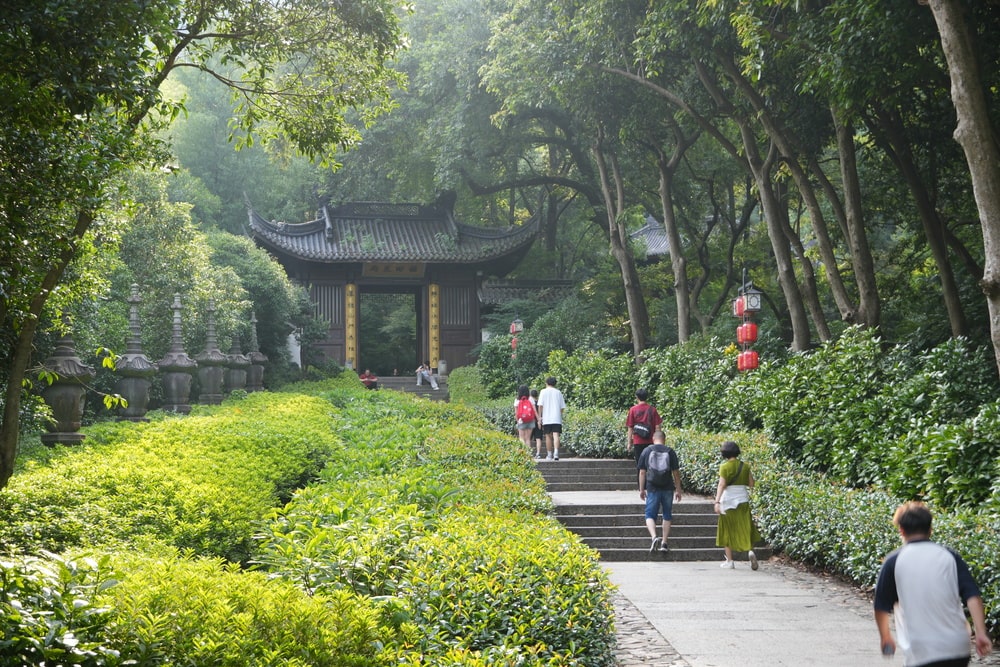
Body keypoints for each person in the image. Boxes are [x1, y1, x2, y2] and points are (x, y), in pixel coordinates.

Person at [874, 501, 993, 666]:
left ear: (901, 530)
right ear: (930, 529)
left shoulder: (893, 562)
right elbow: (973, 596)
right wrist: (981, 632)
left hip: (921, 649)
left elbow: (881, 606)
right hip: (957, 647)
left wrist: (885, 636)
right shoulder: (950, 556)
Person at [713, 440, 761, 570]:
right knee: (746, 528)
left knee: (727, 530)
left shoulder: (724, 467)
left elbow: (722, 485)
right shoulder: (745, 466)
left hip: (727, 501)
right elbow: (751, 483)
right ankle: (750, 551)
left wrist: (717, 501)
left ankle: (730, 561)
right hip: (743, 500)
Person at [637, 430, 682, 553]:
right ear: (664, 439)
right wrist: (678, 489)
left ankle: (654, 537)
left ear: (653, 438)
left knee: (650, 514)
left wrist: (642, 489)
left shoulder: (647, 451)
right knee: (667, 514)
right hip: (668, 487)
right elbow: (676, 473)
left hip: (652, 487)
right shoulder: (670, 451)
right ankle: (664, 543)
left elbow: (642, 472)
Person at [626, 388, 663, 485]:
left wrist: (629, 443)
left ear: (636, 397)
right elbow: (658, 426)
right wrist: (659, 441)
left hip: (638, 441)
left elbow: (630, 427)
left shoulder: (633, 410)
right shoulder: (652, 409)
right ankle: (651, 483)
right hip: (651, 441)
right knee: (651, 463)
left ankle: (641, 486)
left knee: (640, 463)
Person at [536, 376, 565, 461]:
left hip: (547, 418)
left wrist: (539, 417)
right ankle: (556, 453)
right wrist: (559, 414)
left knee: (548, 436)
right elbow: (562, 407)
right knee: (556, 435)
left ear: (546, 383)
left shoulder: (543, 392)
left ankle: (549, 454)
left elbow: (540, 405)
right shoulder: (558, 392)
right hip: (556, 418)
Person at [514, 384, 537, 453]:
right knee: (528, 439)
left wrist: (518, 421)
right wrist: (538, 419)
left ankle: (524, 454)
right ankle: (529, 453)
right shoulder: (530, 399)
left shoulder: (517, 400)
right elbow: (534, 410)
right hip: (530, 419)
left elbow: (516, 413)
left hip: (521, 420)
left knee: (521, 437)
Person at [530, 388, 544, 459]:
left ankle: (528, 453)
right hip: (539, 422)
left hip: (530, 422)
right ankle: (538, 453)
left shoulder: (529, 402)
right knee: (538, 438)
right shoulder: (539, 403)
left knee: (528, 439)